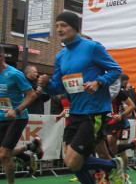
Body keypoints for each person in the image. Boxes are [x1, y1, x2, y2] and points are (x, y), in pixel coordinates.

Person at [38, 12, 126, 183]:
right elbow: (57, 87)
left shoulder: (92, 47)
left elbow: (116, 70)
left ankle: (113, 165)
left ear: (75, 27)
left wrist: (98, 82)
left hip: (94, 111)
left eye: (63, 25)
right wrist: (46, 84)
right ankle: (111, 164)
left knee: (73, 160)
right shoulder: (60, 56)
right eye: (57, 26)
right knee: (73, 163)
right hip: (75, 112)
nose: (59, 29)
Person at [0, 45, 43, 184]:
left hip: (17, 118)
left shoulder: (14, 74)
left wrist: (16, 110)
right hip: (1, 118)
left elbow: (31, 95)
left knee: (4, 155)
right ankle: (30, 148)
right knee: (3, 153)